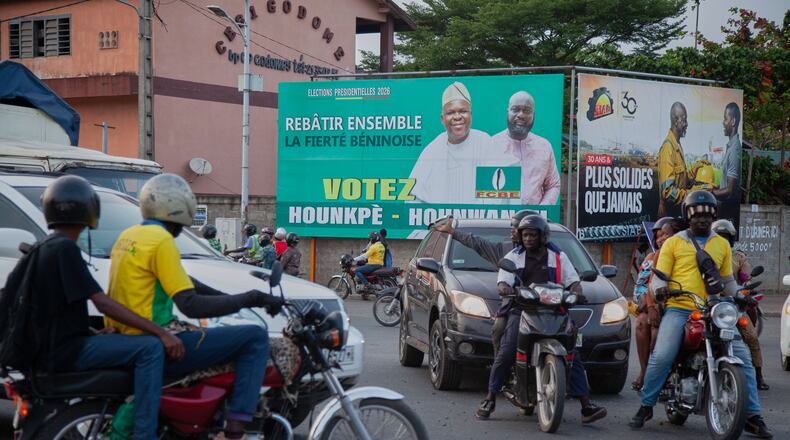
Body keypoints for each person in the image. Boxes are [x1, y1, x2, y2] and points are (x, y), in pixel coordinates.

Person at [107, 173, 284, 440]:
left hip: (127, 337)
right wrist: (251, 299)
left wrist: (236, 297)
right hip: (157, 338)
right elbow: (189, 304)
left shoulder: (131, 235)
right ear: (179, 210)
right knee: (255, 337)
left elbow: (185, 282)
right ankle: (236, 428)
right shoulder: (162, 240)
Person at [16, 175, 185, 440]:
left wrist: (92, 332)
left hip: (53, 346)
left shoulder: (44, 246)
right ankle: (144, 433)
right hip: (66, 351)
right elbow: (102, 302)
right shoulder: (66, 250)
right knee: (151, 348)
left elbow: (55, 308)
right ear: (90, 211)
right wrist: (161, 332)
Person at [629, 190, 773, 438]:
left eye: (707, 216)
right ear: (688, 216)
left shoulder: (721, 244)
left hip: (715, 309)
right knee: (663, 354)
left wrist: (740, 293)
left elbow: (727, 281)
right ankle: (646, 406)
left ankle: (753, 416)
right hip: (681, 307)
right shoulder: (674, 242)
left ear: (713, 216)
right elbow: (657, 279)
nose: (702, 220)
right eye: (697, 216)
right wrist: (661, 291)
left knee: (743, 356)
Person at [476, 215, 606, 424]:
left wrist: (577, 291)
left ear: (542, 236)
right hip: (522, 309)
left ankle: (586, 405)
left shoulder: (558, 257)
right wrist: (506, 288)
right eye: (524, 234)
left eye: (532, 235)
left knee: (573, 354)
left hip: (554, 310)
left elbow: (573, 281)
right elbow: (502, 281)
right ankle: (490, 398)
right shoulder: (514, 256)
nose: (527, 238)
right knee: (507, 350)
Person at [432, 210, 536, 355]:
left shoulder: (552, 254)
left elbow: (568, 277)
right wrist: (452, 232)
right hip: (516, 306)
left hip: (544, 308)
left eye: (516, 228)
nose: (512, 232)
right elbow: (478, 244)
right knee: (499, 332)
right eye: (512, 228)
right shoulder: (508, 252)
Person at [408, 81, 493, 204]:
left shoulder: (486, 143)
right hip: (440, 221)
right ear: (442, 119)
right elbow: (413, 198)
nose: (457, 117)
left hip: (478, 221)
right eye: (450, 113)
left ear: (471, 115)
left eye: (463, 111)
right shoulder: (433, 150)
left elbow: (501, 192)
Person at [712, 219, 768, 390]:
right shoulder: (703, 253)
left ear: (732, 239)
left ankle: (758, 375)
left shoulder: (739, 257)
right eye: (719, 236)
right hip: (707, 304)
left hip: (731, 305)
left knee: (751, 337)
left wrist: (744, 291)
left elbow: (745, 278)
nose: (722, 240)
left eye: (726, 237)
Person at [631, 217, 680, 391]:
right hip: (653, 305)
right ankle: (645, 372)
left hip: (678, 306)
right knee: (642, 323)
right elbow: (640, 287)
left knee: (657, 332)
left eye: (665, 235)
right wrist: (647, 302)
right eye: (658, 236)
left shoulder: (684, 255)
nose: (661, 239)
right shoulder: (651, 258)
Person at [491, 91, 560, 205]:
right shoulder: (491, 146)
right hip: (500, 220)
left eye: (527, 111)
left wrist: (540, 212)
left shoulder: (544, 146)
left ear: (534, 115)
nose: (521, 115)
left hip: (534, 220)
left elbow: (553, 185)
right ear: (507, 112)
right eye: (515, 109)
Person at [657, 102, 692, 217]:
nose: (686, 124)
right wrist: (690, 194)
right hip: (668, 219)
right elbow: (667, 193)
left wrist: (694, 172)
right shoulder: (668, 148)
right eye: (684, 120)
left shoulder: (677, 145)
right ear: (676, 121)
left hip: (676, 215)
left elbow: (681, 180)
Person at [712, 102, 742, 202]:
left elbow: (729, 190)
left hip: (728, 209)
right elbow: (725, 183)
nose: (723, 123)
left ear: (733, 121)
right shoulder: (731, 146)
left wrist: (710, 193)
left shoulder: (734, 149)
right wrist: (714, 187)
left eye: (725, 119)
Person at [354, 231, 386, 299]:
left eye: (371, 238)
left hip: (373, 264)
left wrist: (354, 259)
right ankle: (365, 293)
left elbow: (365, 256)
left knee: (357, 270)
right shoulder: (381, 246)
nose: (370, 239)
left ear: (374, 239)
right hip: (380, 264)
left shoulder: (374, 247)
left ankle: (367, 284)